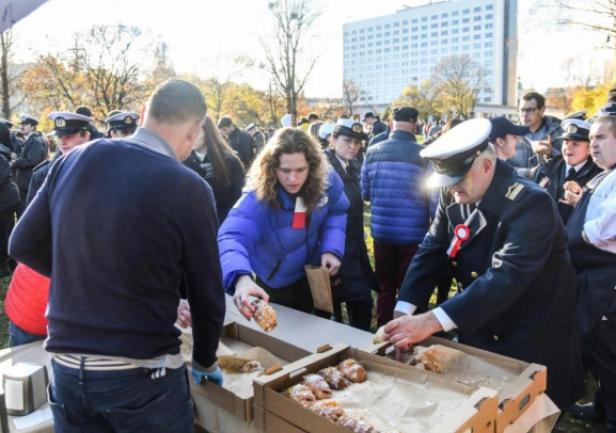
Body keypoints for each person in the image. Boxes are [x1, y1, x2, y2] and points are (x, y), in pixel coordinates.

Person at [9, 79, 225, 433]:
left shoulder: (74, 159)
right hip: (142, 375)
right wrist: (204, 359)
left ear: (143, 113)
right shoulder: (189, 187)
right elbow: (207, 295)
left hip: (67, 367)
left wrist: (84, 274)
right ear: (195, 129)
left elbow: (22, 244)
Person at [383, 118, 583, 412]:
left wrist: (430, 321)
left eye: (456, 180)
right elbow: (432, 249)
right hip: (481, 325)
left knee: (523, 416)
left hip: (528, 334)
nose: (451, 189)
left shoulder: (531, 203)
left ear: (486, 166)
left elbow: (506, 276)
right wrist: (404, 309)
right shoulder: (455, 191)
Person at [218, 127, 349, 317]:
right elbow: (231, 236)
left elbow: (337, 210)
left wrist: (331, 248)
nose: (293, 178)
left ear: (312, 166)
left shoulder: (326, 179)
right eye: (285, 170)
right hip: (275, 282)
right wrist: (241, 278)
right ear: (272, 167)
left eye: (300, 170)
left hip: (313, 272)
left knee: (317, 327)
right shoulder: (257, 197)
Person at [563, 115, 616, 433]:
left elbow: (604, 231)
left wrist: (579, 234)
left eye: (601, 138)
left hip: (606, 278)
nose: (593, 145)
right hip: (592, 275)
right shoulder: (606, 175)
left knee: (607, 351)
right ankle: (602, 405)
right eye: (592, 138)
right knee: (599, 352)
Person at [361, 106, 433, 326]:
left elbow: (365, 192)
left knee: (385, 286)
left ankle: (384, 329)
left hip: (382, 232)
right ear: (414, 123)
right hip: (413, 235)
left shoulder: (373, 151)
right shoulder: (424, 154)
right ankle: (407, 332)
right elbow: (433, 197)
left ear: (392, 123)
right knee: (409, 288)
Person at [325, 119, 377, 330]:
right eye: (347, 141)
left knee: (361, 307)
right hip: (334, 252)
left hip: (354, 248)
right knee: (332, 312)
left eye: (357, 142)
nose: (353, 146)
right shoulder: (324, 169)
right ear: (333, 139)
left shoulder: (353, 165)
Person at [532, 118, 602, 224]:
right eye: (566, 142)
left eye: (575, 144)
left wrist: (580, 204)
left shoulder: (597, 178)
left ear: (589, 149)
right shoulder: (549, 167)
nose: (568, 148)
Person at [183, 115, 245, 223]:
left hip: (222, 223)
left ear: (208, 132)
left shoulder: (230, 161)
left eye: (196, 132)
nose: (191, 137)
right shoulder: (183, 161)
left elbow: (237, 199)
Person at [26, 112, 93, 206]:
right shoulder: (42, 174)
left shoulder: (98, 169)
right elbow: (33, 213)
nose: (63, 142)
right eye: (59, 136)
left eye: (69, 136)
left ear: (86, 136)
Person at [510, 91, 563, 174]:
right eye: (521, 110)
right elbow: (504, 167)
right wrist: (527, 173)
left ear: (542, 110)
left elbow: (566, 166)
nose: (524, 114)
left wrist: (550, 154)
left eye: (530, 110)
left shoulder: (558, 133)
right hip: (518, 181)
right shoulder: (511, 135)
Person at [12, 114, 46, 210]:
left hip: (29, 183)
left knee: (26, 210)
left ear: (33, 127)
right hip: (25, 183)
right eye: (21, 124)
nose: (21, 127)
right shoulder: (30, 139)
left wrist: (15, 162)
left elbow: (32, 160)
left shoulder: (36, 140)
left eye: (25, 124)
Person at [0, 123, 19, 276]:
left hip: (6, 199)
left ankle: (4, 266)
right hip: (6, 198)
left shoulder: (1, 156)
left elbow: (3, 178)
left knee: (3, 232)